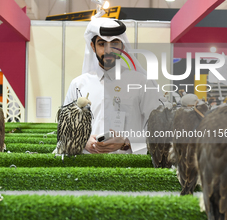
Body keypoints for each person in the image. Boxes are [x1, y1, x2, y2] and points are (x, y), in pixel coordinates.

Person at [63, 18, 161, 154]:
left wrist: (126, 142)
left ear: (122, 46)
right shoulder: (78, 85)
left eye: (114, 43)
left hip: (128, 169)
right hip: (86, 166)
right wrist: (82, 141)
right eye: (102, 44)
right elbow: (65, 129)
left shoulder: (142, 83)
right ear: (93, 46)